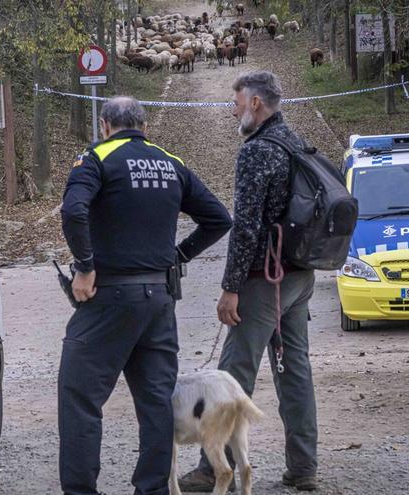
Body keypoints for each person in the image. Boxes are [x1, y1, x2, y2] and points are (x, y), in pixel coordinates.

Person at [58, 96, 232, 495]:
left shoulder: (97, 158)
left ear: (104, 126)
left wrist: (84, 266)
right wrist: (179, 255)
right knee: (156, 401)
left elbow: (73, 211)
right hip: (159, 300)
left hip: (109, 298)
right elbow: (219, 218)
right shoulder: (170, 162)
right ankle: (153, 489)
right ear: (145, 127)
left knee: (79, 396)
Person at [177, 70, 319, 492]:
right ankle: (303, 467)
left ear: (256, 103)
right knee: (295, 371)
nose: (233, 110)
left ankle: (211, 469)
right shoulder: (296, 143)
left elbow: (246, 227)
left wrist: (231, 287)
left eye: (236, 102)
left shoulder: (257, 150)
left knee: (232, 376)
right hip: (299, 276)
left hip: (263, 280)